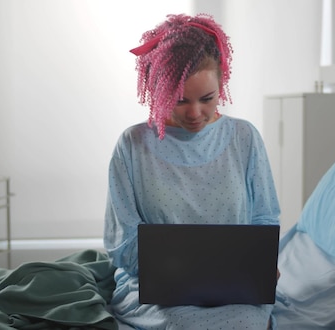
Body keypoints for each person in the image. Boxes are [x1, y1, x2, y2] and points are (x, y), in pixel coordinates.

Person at [103, 13, 281, 330]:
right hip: (155, 293)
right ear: (158, 91)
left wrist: (262, 265)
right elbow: (123, 242)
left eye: (207, 99)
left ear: (221, 83)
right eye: (180, 100)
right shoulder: (132, 145)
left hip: (235, 293)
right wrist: (174, 273)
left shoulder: (244, 137)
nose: (196, 113)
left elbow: (265, 219)